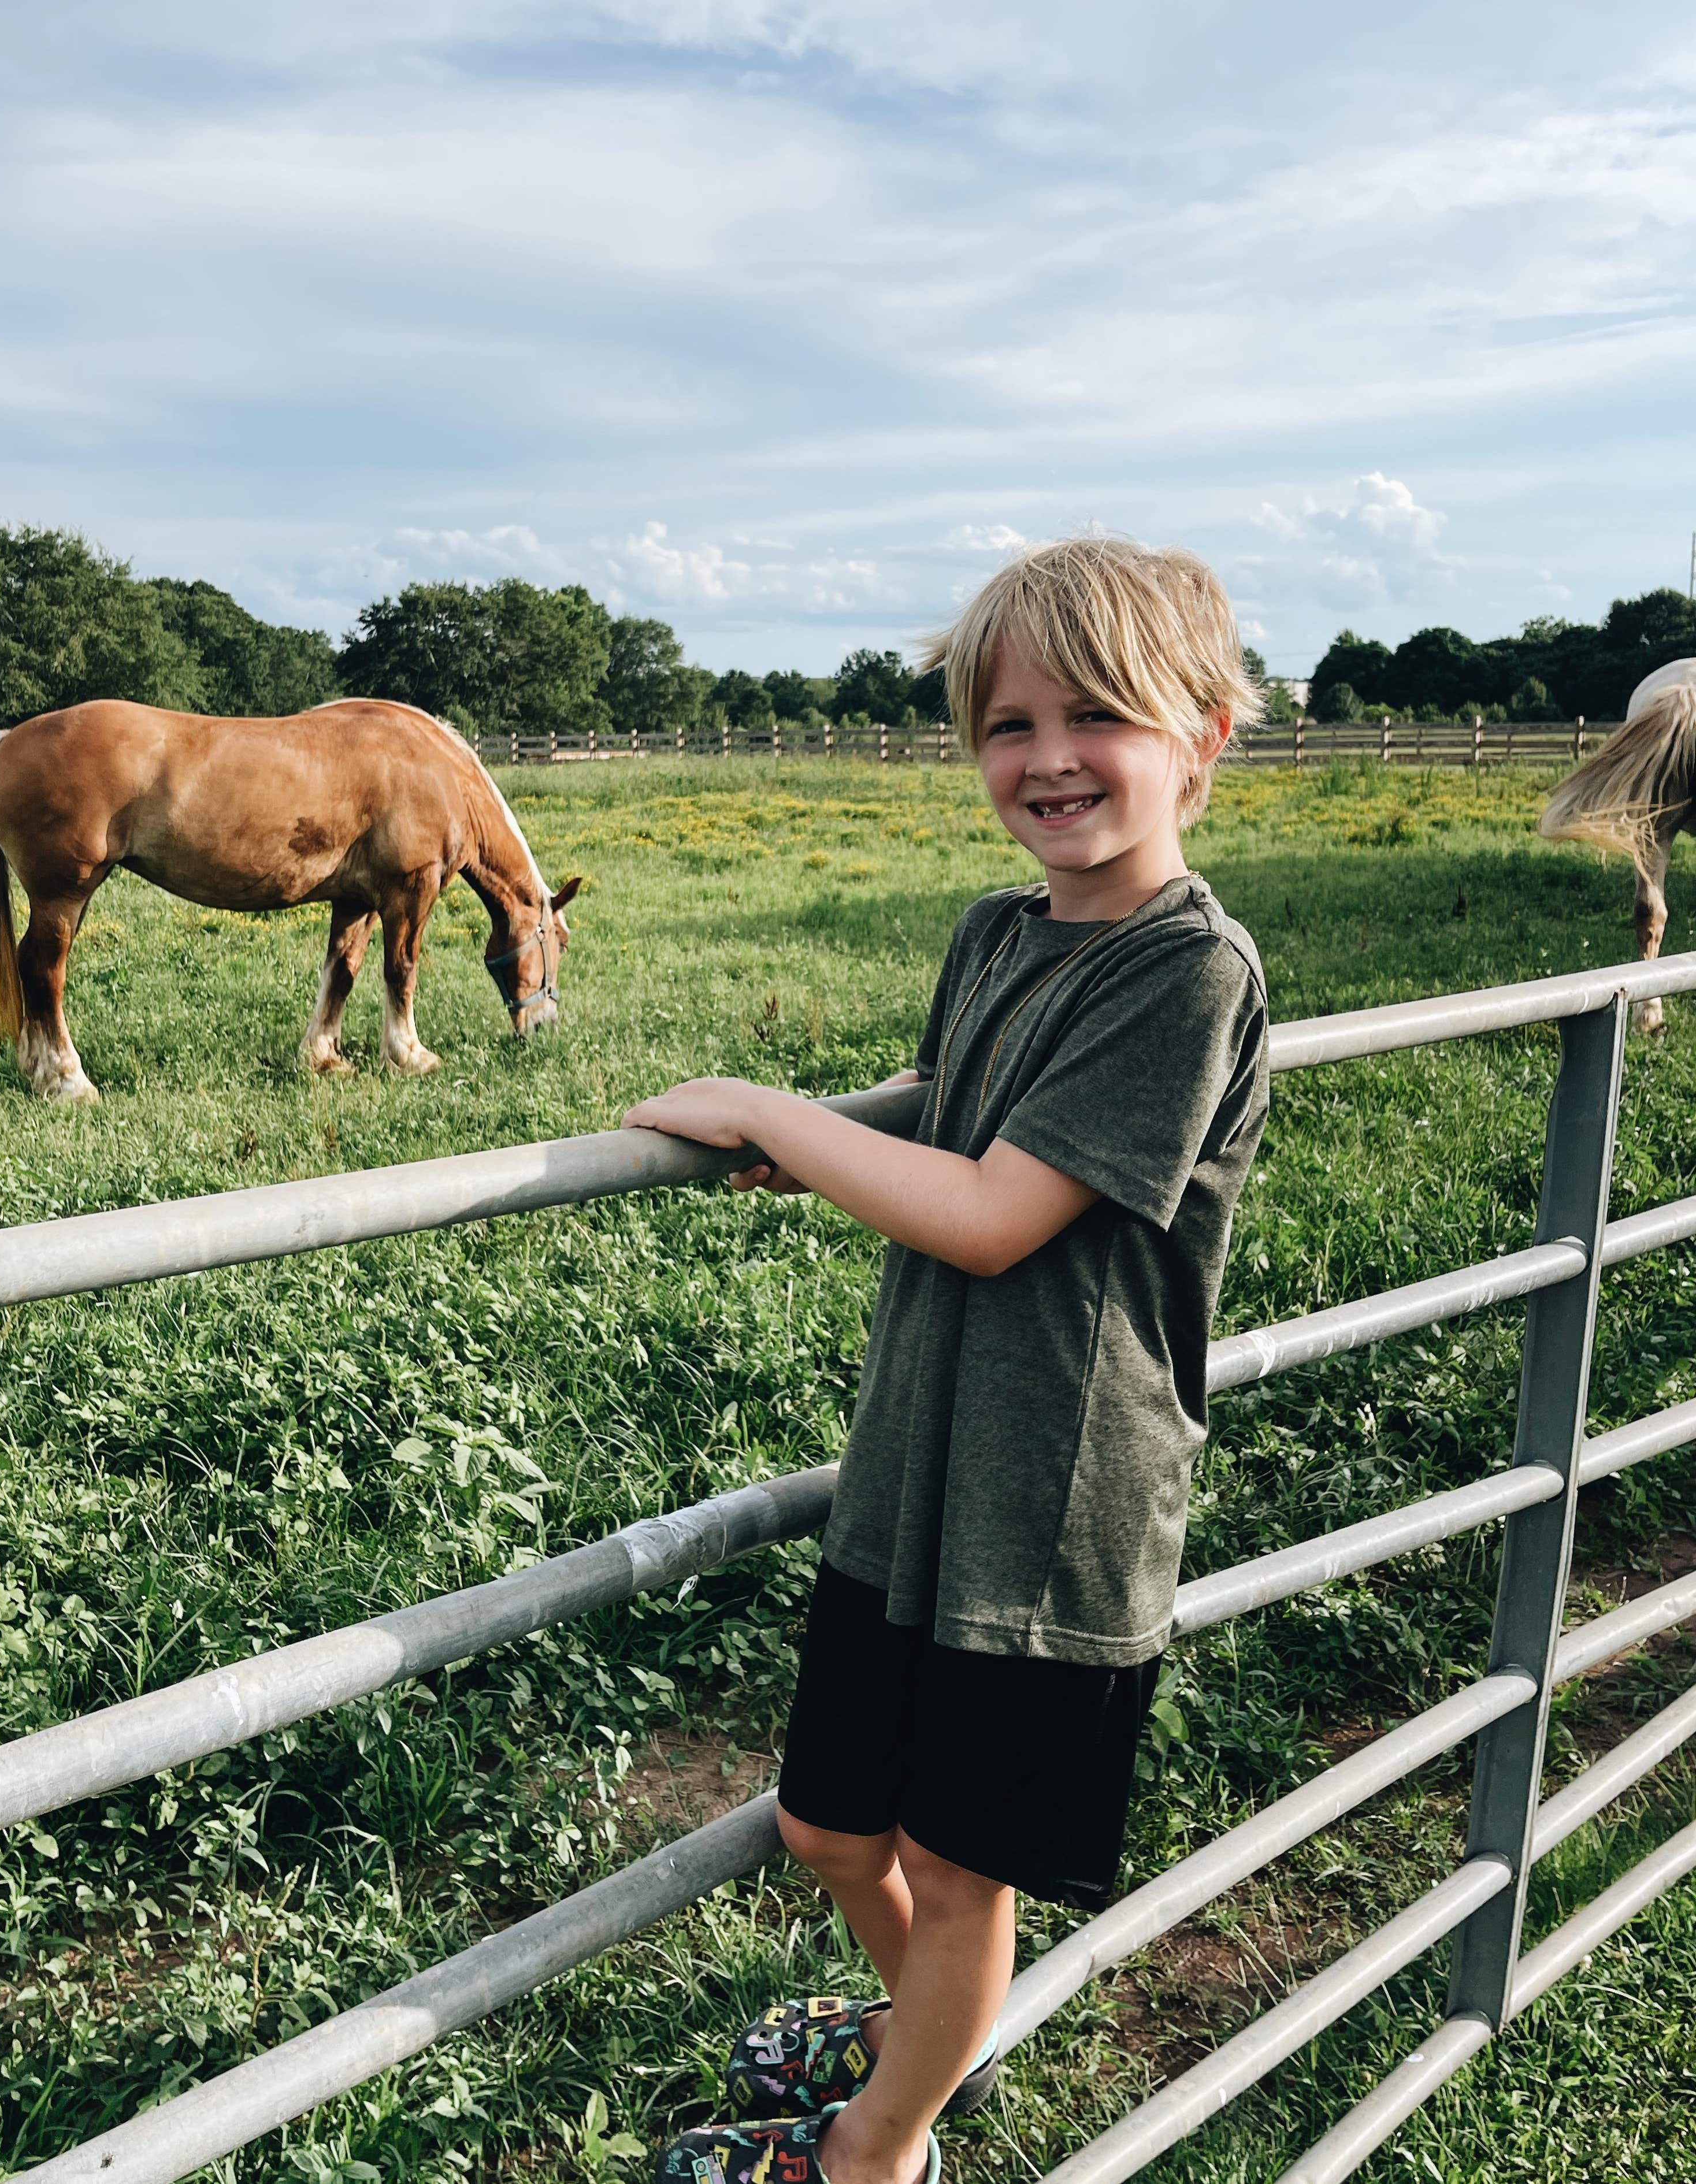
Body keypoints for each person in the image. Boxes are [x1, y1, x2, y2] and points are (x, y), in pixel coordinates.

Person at [624, 536, 1270, 2184]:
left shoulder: (1191, 968)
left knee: (960, 1861)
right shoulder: (998, 934)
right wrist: (831, 1129)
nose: (1049, 756)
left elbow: (990, 1214)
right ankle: (931, 2033)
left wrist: (772, 1114)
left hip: (1052, 1503)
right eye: (1007, 722)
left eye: (1099, 714)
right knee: (831, 1825)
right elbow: (955, 1112)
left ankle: (877, 2148)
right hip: (921, 1461)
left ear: (1203, 732)